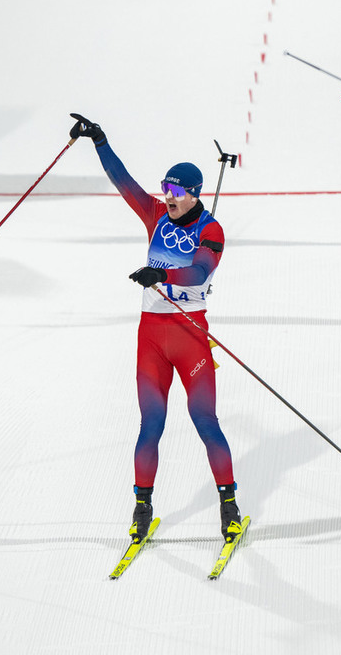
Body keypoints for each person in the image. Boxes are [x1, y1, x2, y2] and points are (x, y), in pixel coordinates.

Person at [68, 112, 243, 544]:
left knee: (204, 420)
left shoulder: (211, 228)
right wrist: (100, 140)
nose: (167, 197)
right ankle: (142, 506)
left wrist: (162, 275)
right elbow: (123, 181)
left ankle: (229, 504)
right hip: (151, 339)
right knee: (151, 425)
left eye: (177, 192)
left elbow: (200, 272)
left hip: (189, 337)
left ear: (194, 194)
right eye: (165, 189)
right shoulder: (154, 215)